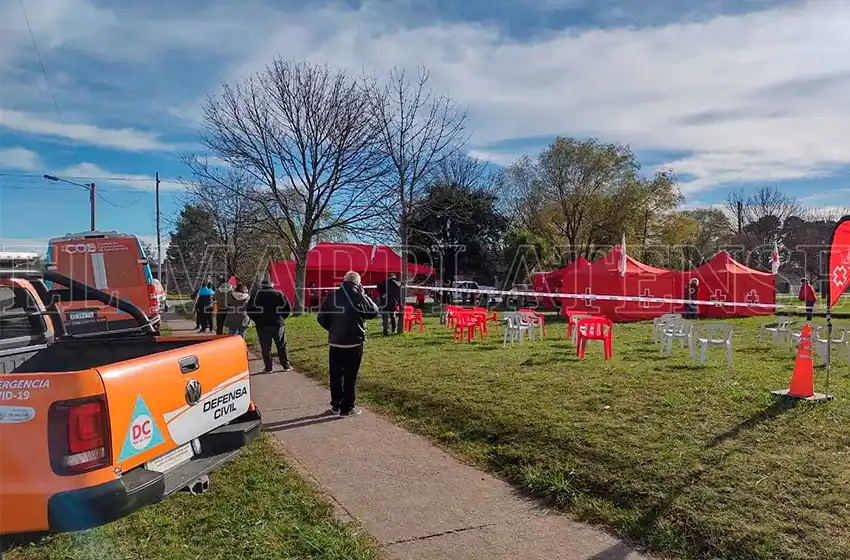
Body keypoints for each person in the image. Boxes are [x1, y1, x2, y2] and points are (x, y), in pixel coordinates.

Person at [316, 271, 379, 416]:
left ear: (344, 281)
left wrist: (332, 330)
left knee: (335, 375)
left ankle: (336, 405)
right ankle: (348, 407)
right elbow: (373, 312)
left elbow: (321, 318)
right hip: (354, 342)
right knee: (351, 376)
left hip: (336, 342)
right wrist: (364, 294)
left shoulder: (332, 295)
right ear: (358, 283)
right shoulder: (358, 295)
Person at [248, 278, 293, 373]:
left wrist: (256, 319)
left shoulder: (255, 295)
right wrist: (281, 318)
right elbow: (287, 308)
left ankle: (268, 368)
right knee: (281, 345)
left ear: (261, 286)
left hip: (262, 325)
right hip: (277, 323)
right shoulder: (280, 294)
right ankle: (286, 365)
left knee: (265, 347)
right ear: (272, 285)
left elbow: (249, 310)